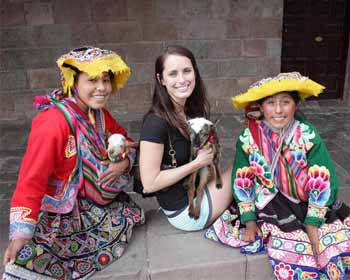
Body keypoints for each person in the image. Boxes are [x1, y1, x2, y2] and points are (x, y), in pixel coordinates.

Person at [2, 46, 145, 280]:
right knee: (26, 261)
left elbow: (127, 142)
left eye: (106, 80)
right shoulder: (52, 123)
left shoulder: (99, 114)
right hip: (61, 213)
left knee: (125, 216)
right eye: (92, 80)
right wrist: (19, 236)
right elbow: (31, 181)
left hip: (93, 204)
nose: (102, 88)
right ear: (73, 82)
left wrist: (123, 164)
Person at [206, 72, 350, 279]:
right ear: (261, 107)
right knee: (296, 253)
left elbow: (323, 178)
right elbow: (242, 178)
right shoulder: (248, 138)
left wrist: (312, 221)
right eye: (271, 103)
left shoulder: (307, 134)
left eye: (286, 102)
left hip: (308, 200)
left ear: (295, 105)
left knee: (335, 243)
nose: (279, 110)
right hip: (271, 202)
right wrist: (249, 220)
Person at [138, 45, 233, 231]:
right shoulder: (155, 122)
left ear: (195, 73)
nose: (182, 79)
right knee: (245, 165)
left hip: (199, 191)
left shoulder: (189, 112)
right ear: (161, 79)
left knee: (243, 161)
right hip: (187, 213)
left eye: (187, 71)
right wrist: (197, 163)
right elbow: (149, 183)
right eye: (173, 74)